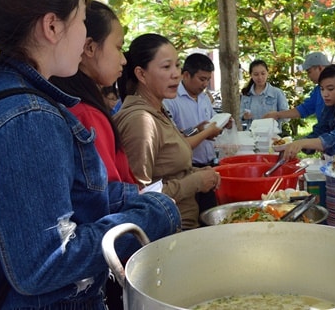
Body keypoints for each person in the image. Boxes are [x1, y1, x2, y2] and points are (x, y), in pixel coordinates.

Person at [0, 0, 180, 309]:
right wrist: (153, 213)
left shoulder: (2, 95)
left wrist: (129, 199)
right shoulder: (28, 118)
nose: (85, 37)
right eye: (82, 21)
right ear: (52, 27)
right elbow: (43, 263)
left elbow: (65, 199)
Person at [49, 0, 139, 309]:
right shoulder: (86, 114)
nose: (123, 59)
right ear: (88, 48)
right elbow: (106, 203)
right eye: (118, 46)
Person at [114, 33, 221, 230]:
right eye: (166, 67)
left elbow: (167, 172)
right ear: (141, 74)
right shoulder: (140, 121)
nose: (176, 74)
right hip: (168, 234)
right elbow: (140, 196)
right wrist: (194, 182)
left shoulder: (158, 110)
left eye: (177, 66)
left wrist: (197, 172)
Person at [163, 53, 225, 213]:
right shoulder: (171, 100)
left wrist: (219, 125)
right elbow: (177, 140)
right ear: (186, 75)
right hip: (187, 170)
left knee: (209, 213)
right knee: (191, 215)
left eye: (207, 80)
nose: (205, 84)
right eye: (201, 79)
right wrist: (203, 131)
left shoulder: (204, 98)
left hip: (208, 164)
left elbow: (210, 123)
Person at [282, 64, 335, 159]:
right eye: (322, 89)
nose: (325, 94)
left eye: (330, 89)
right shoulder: (330, 106)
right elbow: (320, 130)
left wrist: (303, 143)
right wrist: (296, 145)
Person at [263, 51, 329, 136]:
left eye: (309, 72)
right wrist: (278, 114)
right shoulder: (317, 91)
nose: (308, 76)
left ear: (320, 68)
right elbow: (304, 109)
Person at [240, 59, 289, 130]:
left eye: (263, 73)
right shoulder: (246, 94)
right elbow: (240, 116)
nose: (260, 77)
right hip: (252, 135)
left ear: (267, 73)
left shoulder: (277, 93)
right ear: (251, 75)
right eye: (256, 74)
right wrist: (244, 116)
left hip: (271, 135)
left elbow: (287, 117)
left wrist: (277, 115)